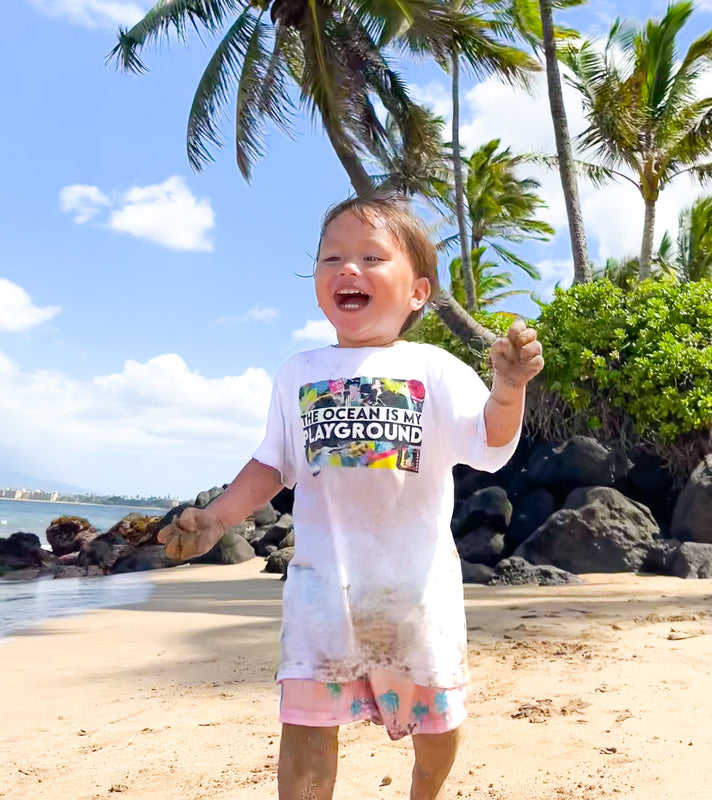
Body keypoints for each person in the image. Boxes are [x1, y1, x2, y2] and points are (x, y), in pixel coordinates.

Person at [158, 196, 545, 800]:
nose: (348, 269)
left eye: (371, 257)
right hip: (321, 591)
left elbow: (489, 444)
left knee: (436, 719)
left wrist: (508, 388)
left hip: (417, 592)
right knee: (306, 724)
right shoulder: (299, 373)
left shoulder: (434, 369)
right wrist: (215, 519)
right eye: (331, 257)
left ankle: (424, 790)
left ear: (417, 291)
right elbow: (272, 463)